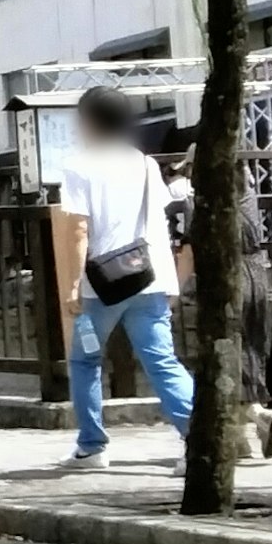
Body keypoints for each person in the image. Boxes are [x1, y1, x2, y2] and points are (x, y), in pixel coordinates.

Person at [51, 86, 200, 470]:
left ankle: (92, 445)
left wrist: (70, 286)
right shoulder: (145, 163)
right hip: (149, 276)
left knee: (85, 362)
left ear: (89, 121)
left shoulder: (78, 167)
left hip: (101, 284)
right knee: (162, 361)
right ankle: (197, 439)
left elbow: (79, 230)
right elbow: (158, 219)